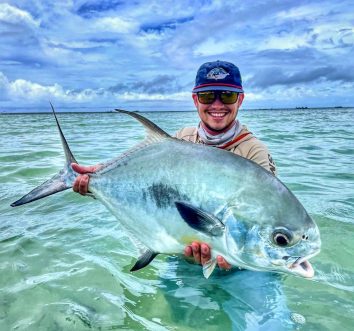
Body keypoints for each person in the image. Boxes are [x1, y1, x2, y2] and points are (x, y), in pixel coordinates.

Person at [72, 60, 277, 271]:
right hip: (181, 257)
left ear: (240, 100)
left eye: (227, 95)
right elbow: (150, 190)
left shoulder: (255, 152)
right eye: (207, 96)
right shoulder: (180, 140)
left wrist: (237, 261)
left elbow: (265, 220)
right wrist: (98, 182)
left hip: (244, 267)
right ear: (195, 100)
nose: (217, 105)